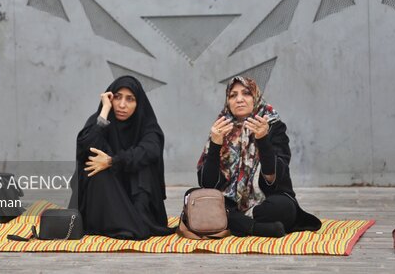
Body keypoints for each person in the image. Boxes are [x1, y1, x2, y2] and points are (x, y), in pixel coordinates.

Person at [197, 76, 321, 237]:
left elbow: (273, 177)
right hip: (228, 203)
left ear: (256, 96)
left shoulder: (273, 126)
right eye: (233, 95)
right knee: (193, 199)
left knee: (284, 208)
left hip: (264, 202)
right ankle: (257, 228)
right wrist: (215, 144)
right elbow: (208, 184)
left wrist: (262, 139)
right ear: (227, 101)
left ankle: (233, 222)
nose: (239, 99)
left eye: (246, 93)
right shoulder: (221, 128)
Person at [69, 76, 173, 240]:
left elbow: (150, 150)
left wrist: (112, 161)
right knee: (93, 166)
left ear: (138, 103)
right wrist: (104, 112)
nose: (122, 105)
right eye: (117, 97)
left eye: (130, 99)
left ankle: (134, 222)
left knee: (143, 164)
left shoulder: (147, 125)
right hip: (106, 196)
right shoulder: (99, 120)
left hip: (135, 197)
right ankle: (130, 225)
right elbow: (85, 148)